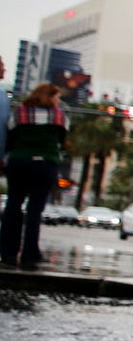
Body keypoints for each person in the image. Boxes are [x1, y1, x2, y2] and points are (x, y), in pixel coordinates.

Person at [2, 83, 69, 272]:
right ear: (49, 97)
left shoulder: (20, 113)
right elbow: (62, 141)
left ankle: (8, 251)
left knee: (13, 205)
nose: (58, 101)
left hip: (20, 162)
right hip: (45, 165)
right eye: (56, 97)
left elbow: (10, 137)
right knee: (35, 210)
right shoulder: (59, 116)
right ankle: (30, 252)